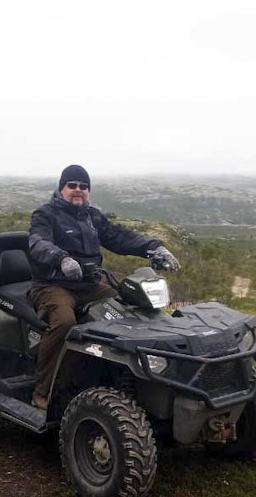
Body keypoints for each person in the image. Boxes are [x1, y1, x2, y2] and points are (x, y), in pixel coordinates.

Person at [27, 164, 180, 410]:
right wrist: (62, 259)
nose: (78, 190)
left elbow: (120, 237)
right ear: (61, 188)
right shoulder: (45, 215)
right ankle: (42, 391)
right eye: (72, 185)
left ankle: (129, 375)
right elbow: (37, 242)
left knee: (129, 309)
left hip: (89, 284)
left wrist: (154, 247)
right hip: (53, 284)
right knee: (64, 321)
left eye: (84, 186)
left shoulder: (92, 216)